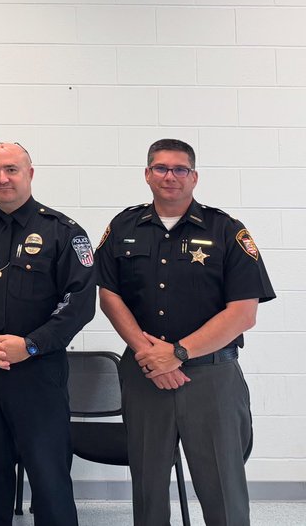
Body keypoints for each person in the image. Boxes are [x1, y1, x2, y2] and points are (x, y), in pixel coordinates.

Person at [97, 139, 275, 526]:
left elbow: (244, 313)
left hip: (211, 377)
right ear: (147, 175)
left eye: (180, 169)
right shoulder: (123, 227)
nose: (170, 176)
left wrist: (176, 354)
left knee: (222, 487)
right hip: (145, 375)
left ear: (194, 177)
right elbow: (108, 295)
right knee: (148, 486)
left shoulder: (227, 230)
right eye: (160, 168)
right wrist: (151, 356)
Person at [0, 142, 96, 526]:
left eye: (11, 169)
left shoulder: (63, 232)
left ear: (30, 174)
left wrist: (30, 344)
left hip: (36, 372)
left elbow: (79, 303)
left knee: (48, 472)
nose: (2, 178)